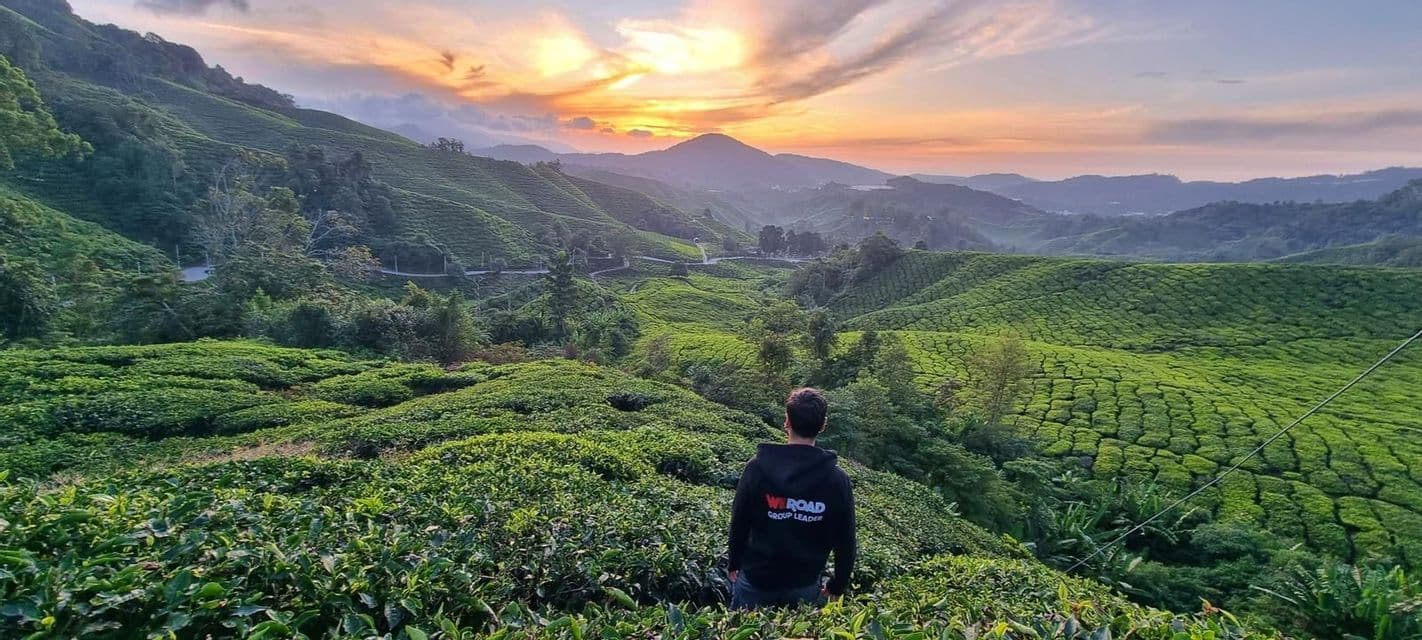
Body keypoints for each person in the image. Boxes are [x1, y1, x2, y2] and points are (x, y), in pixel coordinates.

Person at [726, 387, 857, 610]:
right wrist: (838, 584)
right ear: (823, 425)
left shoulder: (756, 468)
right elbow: (845, 539)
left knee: (742, 627)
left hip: (756, 578)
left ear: (786, 421)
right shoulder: (837, 480)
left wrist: (734, 562)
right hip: (804, 583)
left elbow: (740, 520)